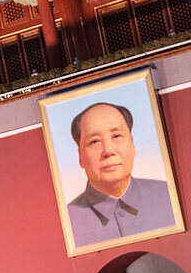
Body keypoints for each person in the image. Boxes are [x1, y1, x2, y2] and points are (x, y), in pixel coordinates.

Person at [66, 102, 174, 246]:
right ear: (80, 157)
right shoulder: (69, 219)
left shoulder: (167, 195)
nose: (108, 151)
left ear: (132, 144)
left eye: (116, 136)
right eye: (94, 141)